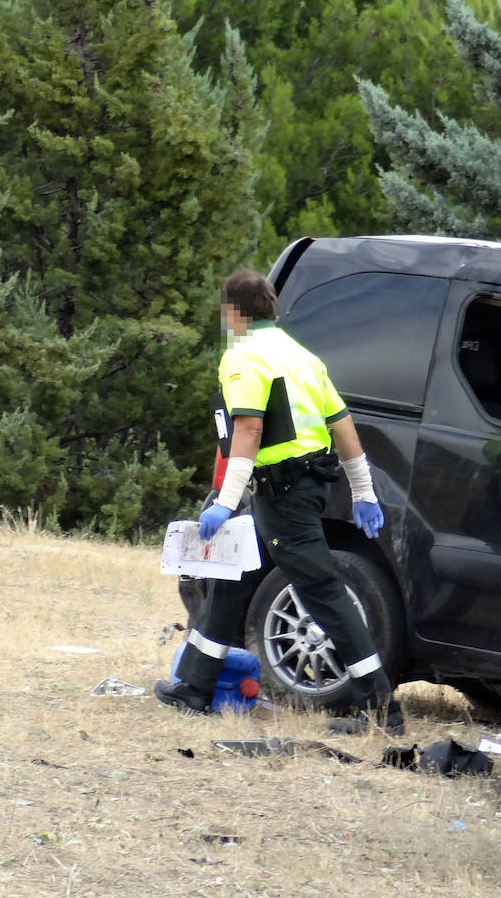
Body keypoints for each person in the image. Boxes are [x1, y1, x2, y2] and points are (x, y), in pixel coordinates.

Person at [153, 270, 403, 735]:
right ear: (273, 311)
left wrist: (226, 502)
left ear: (232, 313)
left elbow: (248, 430)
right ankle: (195, 685)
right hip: (302, 483)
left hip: (282, 492)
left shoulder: (242, 358)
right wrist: (364, 492)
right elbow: (343, 426)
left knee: (322, 592)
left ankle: (381, 710)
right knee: (233, 574)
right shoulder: (303, 357)